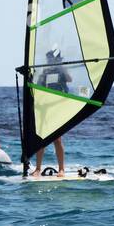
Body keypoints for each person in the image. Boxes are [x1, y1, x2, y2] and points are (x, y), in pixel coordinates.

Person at [30, 46, 71, 176]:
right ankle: (37, 168)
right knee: (41, 138)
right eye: (48, 60)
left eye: (51, 60)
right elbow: (39, 86)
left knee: (57, 139)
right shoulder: (46, 71)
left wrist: (61, 68)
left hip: (57, 107)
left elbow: (70, 79)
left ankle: (61, 169)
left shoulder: (61, 71)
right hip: (45, 107)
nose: (49, 62)